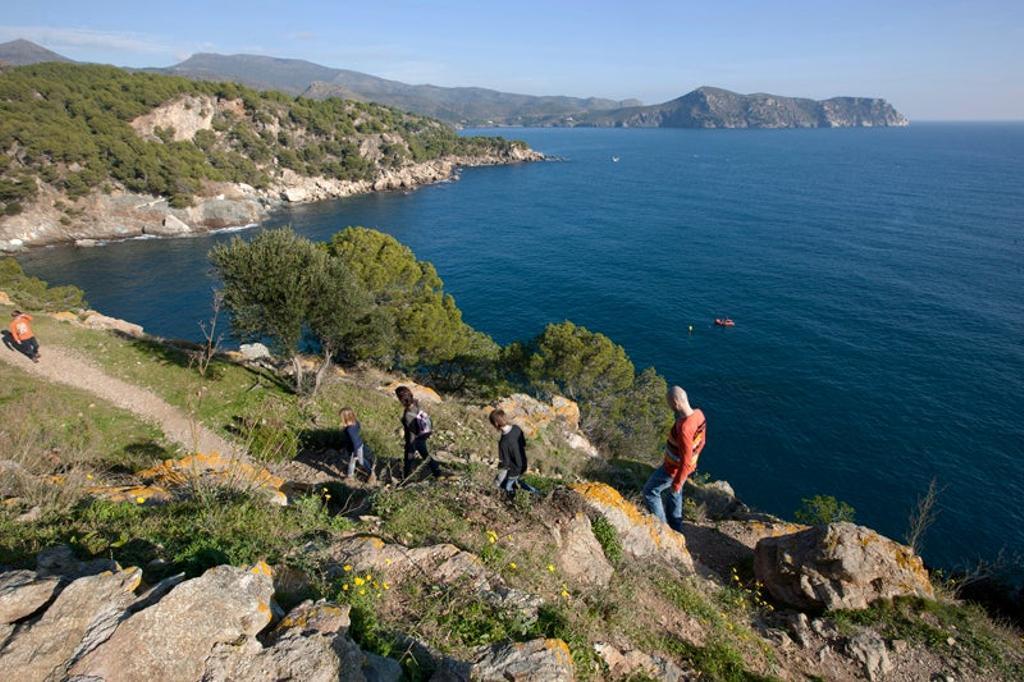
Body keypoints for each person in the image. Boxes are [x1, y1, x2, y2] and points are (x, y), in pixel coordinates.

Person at [642, 386, 707, 532]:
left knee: (650, 492)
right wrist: (693, 463)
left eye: (669, 403)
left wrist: (678, 480)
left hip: (673, 469)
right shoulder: (699, 414)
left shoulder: (684, 428)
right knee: (674, 494)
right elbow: (702, 441)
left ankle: (663, 528)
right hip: (684, 468)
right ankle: (676, 528)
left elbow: (685, 457)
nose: (668, 405)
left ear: (676, 403)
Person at [488, 409, 539, 498]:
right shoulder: (516, 428)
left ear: (496, 424)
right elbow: (523, 444)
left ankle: (526, 497)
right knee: (517, 481)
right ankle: (537, 492)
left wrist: (496, 481)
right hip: (523, 464)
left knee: (508, 488)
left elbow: (505, 464)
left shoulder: (503, 442)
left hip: (514, 470)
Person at [395, 385, 441, 479]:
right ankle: (437, 472)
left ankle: (405, 479)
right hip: (422, 435)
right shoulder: (416, 403)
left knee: (408, 459)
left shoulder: (408, 414)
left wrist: (409, 443)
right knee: (425, 455)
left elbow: (412, 431)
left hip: (413, 439)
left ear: (401, 399)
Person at [339, 407, 374, 480]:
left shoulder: (349, 430)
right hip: (358, 445)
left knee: (360, 461)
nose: (340, 419)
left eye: (341, 417)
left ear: (346, 418)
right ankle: (350, 475)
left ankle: (370, 472)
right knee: (355, 461)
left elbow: (355, 441)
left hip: (356, 447)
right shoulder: (355, 423)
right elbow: (358, 430)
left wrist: (355, 453)